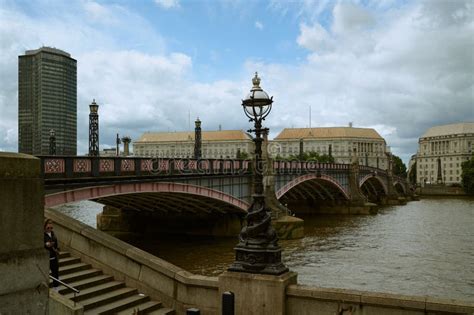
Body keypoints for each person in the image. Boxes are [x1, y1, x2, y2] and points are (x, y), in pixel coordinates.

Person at [44, 219, 60, 290]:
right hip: (46, 257)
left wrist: (57, 250)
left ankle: (56, 288)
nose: (50, 229)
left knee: (55, 272)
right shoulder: (43, 235)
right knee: (45, 273)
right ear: (45, 227)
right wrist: (46, 244)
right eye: (48, 228)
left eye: (51, 228)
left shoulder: (53, 234)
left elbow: (56, 245)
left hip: (54, 256)